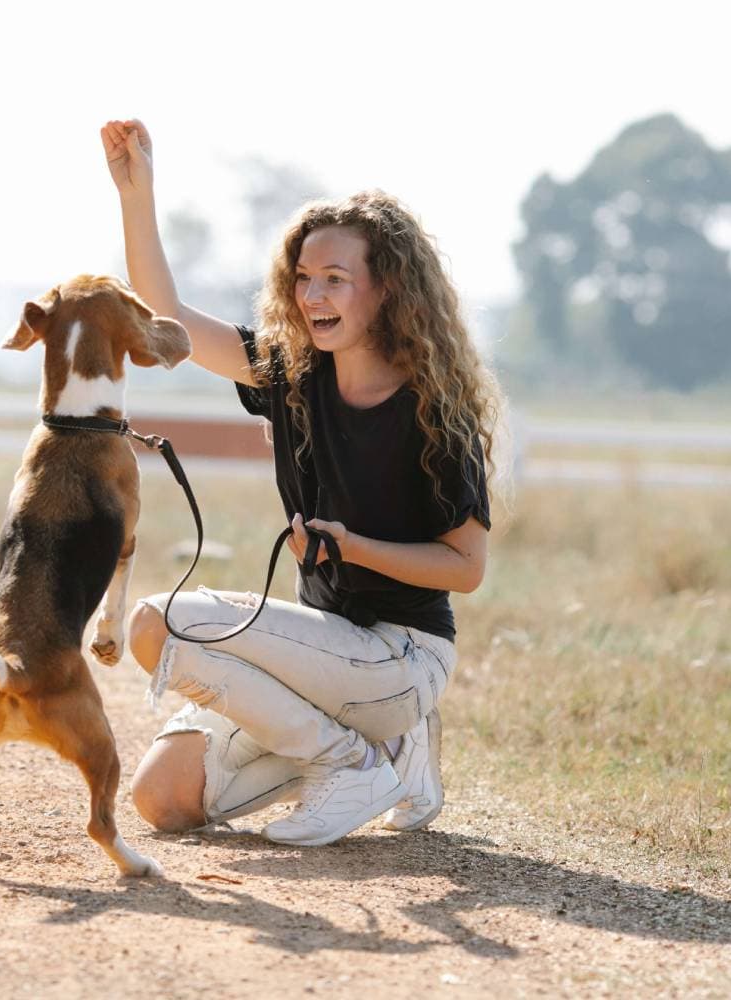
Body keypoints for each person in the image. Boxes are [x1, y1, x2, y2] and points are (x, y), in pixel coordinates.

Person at [100, 118, 499, 847]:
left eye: (336, 279)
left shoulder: (436, 412)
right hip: (324, 657)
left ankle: (351, 759)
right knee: (163, 801)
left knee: (156, 623)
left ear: (387, 291)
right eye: (304, 278)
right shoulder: (290, 374)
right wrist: (137, 194)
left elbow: (466, 569)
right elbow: (169, 320)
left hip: (402, 658)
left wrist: (353, 545)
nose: (313, 294)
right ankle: (389, 757)